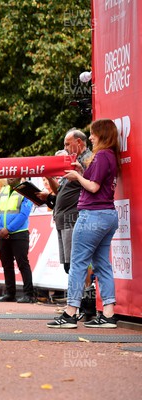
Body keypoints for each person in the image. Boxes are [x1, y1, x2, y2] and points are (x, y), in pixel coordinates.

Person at [47, 119, 121, 329]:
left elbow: (94, 187)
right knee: (102, 265)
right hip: (107, 215)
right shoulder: (110, 156)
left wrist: (77, 176)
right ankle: (108, 313)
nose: (90, 137)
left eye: (93, 133)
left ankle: (70, 313)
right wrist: (81, 170)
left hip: (93, 215)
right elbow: (97, 182)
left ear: (102, 135)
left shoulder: (101, 156)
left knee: (78, 263)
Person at [36, 129, 92, 274]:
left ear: (78, 142)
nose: (65, 149)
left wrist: (80, 172)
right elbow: (61, 191)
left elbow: (92, 184)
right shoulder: (73, 162)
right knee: (68, 265)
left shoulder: (88, 160)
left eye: (67, 144)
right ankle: (80, 294)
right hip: (62, 218)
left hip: (73, 218)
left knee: (75, 263)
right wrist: (49, 179)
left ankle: (84, 294)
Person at [0, 177, 35, 303]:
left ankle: (29, 295)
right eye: (9, 175)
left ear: (20, 177)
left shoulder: (26, 192)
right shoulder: (2, 192)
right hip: (3, 234)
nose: (10, 178)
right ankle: (10, 294)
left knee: (23, 264)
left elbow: (24, 214)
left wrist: (8, 229)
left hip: (19, 234)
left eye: (14, 175)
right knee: (7, 264)